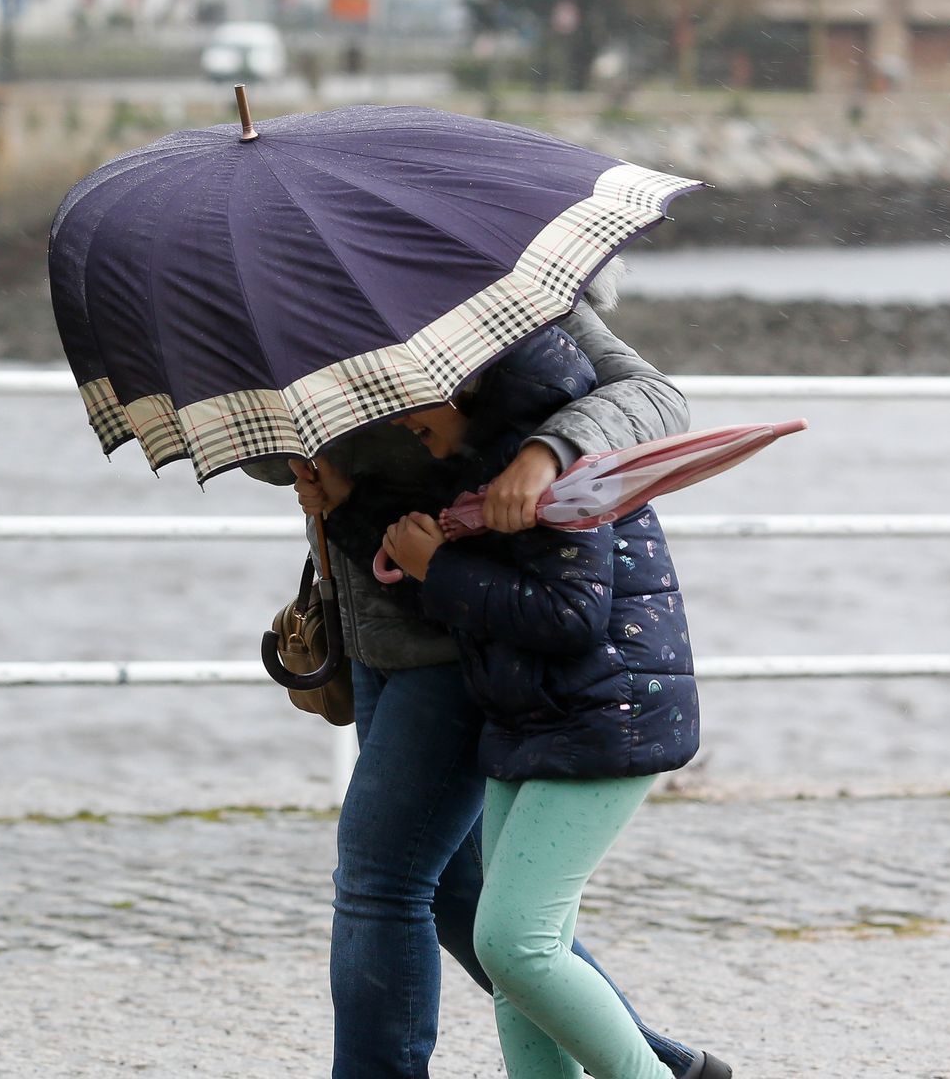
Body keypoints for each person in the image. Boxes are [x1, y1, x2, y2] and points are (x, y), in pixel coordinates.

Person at [247, 271, 728, 1079]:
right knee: (463, 897)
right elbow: (260, 456)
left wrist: (544, 451)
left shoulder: (498, 280)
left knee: (381, 878)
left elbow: (650, 399)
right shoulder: (290, 292)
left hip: (475, 627)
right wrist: (307, 443)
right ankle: (659, 1063)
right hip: (375, 618)